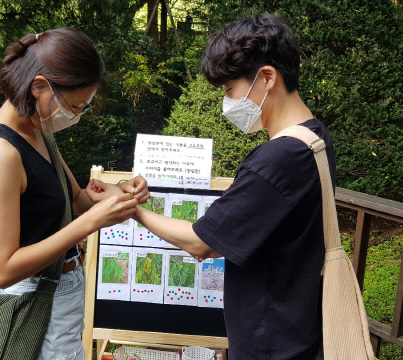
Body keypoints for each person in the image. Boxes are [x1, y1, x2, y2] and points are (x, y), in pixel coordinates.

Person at [133, 14, 335, 359]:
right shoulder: (315, 138)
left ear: (267, 77)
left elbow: (201, 243)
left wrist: (135, 211)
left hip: (271, 341)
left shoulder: (277, 159)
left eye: (229, 89)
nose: (226, 101)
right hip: (297, 326)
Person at [0, 28, 149, 359]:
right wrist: (90, 223)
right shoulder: (0, 153)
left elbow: (76, 200)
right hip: (34, 301)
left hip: (60, 289)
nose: (77, 116)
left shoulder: (38, 132)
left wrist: (117, 193)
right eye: (75, 106)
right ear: (39, 87)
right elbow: (2, 270)